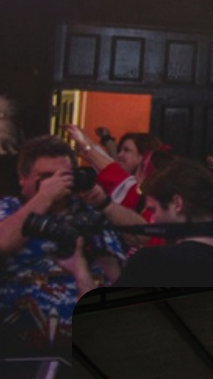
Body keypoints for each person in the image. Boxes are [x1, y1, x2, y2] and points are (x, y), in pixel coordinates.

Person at [0, 136, 127, 347]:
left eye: (63, 177)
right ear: (23, 179)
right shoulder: (9, 209)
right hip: (23, 347)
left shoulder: (90, 212)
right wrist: (44, 197)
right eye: (46, 177)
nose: (57, 184)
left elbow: (121, 271)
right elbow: (3, 242)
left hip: (96, 340)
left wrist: (103, 202)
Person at [113, 158, 213, 286]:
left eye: (153, 210)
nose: (152, 220)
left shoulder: (152, 260)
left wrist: (108, 266)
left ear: (177, 203)